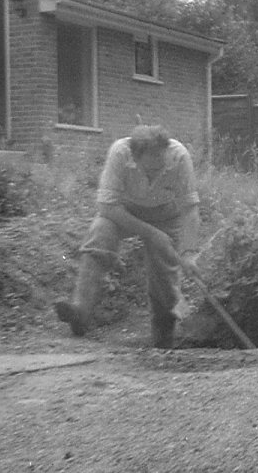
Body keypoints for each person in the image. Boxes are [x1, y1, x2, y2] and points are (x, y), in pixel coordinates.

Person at [54, 125, 201, 348]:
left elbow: (190, 209)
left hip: (166, 214)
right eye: (150, 170)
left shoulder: (179, 157)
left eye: (161, 167)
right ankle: (80, 311)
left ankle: (162, 339)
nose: (157, 173)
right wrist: (152, 233)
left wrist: (189, 253)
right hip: (124, 211)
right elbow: (107, 207)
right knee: (100, 232)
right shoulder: (119, 153)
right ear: (135, 156)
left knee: (163, 273)